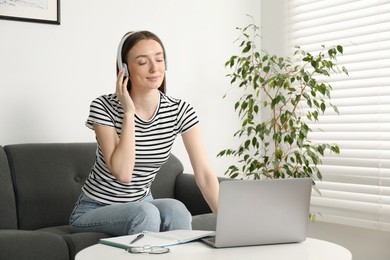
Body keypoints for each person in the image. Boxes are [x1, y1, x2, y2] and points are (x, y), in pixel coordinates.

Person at [69, 30, 219, 236]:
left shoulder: (180, 110)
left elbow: (203, 173)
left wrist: (227, 221)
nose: (154, 68)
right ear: (125, 69)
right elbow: (123, 173)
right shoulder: (103, 106)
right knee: (145, 213)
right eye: (142, 62)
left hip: (142, 204)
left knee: (177, 210)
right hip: (95, 209)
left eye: (159, 59)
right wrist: (129, 113)